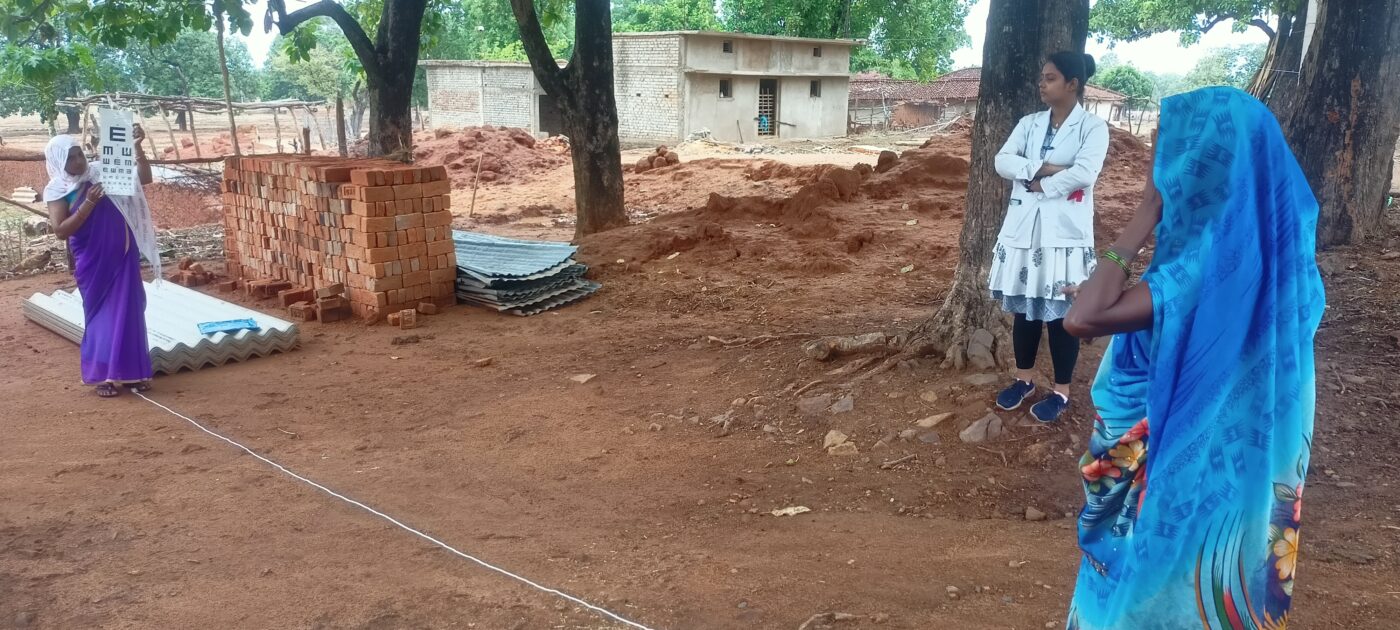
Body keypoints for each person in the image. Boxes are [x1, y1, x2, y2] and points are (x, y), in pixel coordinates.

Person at [1060, 86, 1324, 629]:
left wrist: (1146, 212)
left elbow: (1083, 318)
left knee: (1148, 601)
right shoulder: (1287, 272)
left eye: (1168, 148)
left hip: (1174, 479)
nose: (1158, 163)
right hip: (1242, 481)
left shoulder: (1191, 273)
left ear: (1202, 162)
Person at [989, 51, 1109, 422]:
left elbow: (1085, 173)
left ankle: (1061, 392)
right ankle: (1023, 380)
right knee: (1025, 310)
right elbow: (1002, 161)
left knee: (1062, 315)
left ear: (1072, 84)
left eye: (1050, 78)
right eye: (1042, 77)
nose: (1042, 84)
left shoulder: (1093, 128)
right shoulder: (1029, 124)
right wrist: (1046, 168)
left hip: (1065, 236)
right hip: (1025, 230)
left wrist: (1041, 183)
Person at [44, 125, 161, 398]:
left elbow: (144, 178)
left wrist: (137, 148)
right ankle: (103, 376)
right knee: (101, 316)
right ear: (59, 162)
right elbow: (61, 230)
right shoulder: (57, 189)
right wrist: (89, 203)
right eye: (71, 158)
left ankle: (132, 373)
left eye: (79, 154)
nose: (79, 161)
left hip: (123, 254)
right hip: (92, 261)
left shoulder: (101, 171)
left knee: (130, 310)